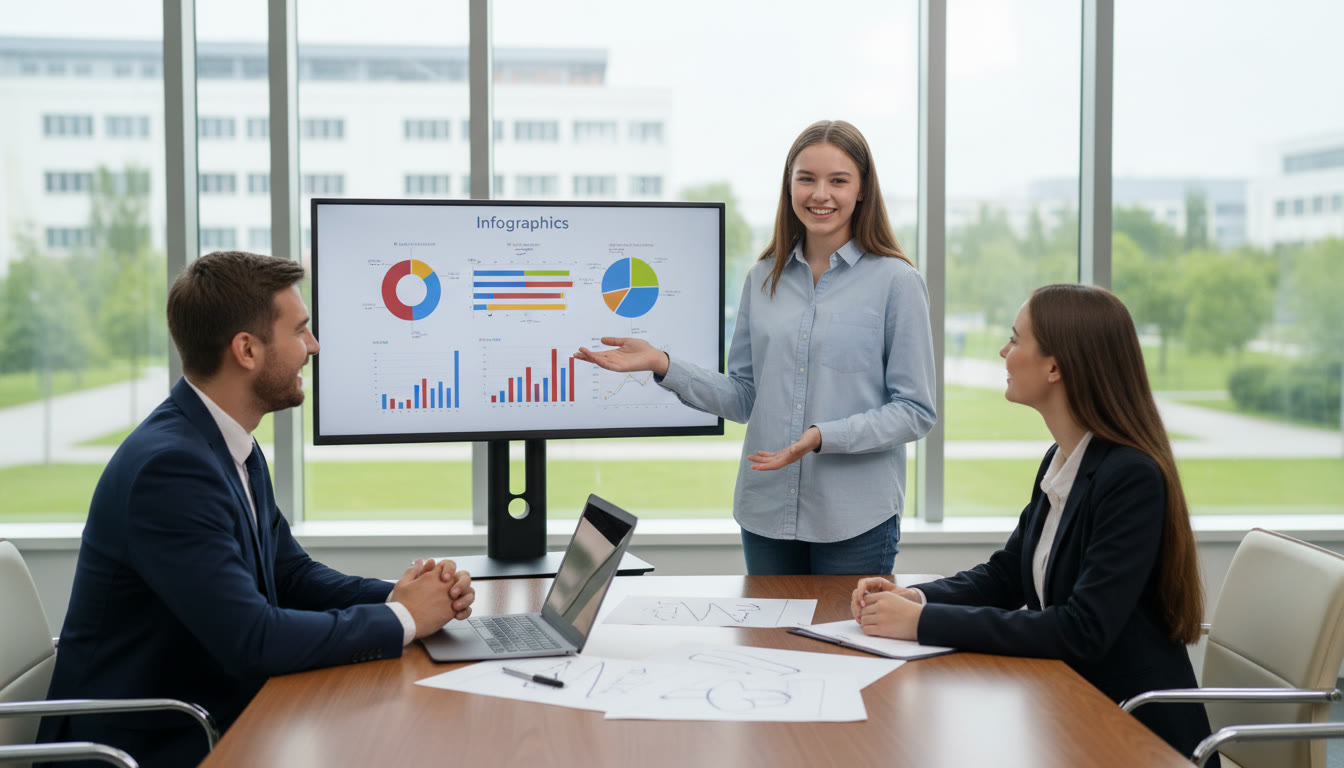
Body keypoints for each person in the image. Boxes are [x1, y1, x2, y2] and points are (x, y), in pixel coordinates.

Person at [38, 251, 475, 768]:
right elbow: (254, 639)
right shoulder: (171, 470)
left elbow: (289, 574)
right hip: (151, 744)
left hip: (213, 715)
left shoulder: (224, 442)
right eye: (301, 331)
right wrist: (403, 617)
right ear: (246, 349)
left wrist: (408, 596)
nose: (313, 346)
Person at [850, 284, 1215, 760]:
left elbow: (1081, 630)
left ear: (1055, 367)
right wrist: (915, 597)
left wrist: (923, 623)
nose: (1003, 352)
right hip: (1071, 709)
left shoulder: (1130, 477)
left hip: (1134, 733)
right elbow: (1007, 575)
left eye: (1015, 339)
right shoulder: (1064, 459)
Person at [577, 120, 936, 575]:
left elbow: (915, 410)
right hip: (766, 514)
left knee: (845, 646)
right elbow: (745, 397)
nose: (820, 194)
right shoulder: (762, 277)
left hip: (856, 520)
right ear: (789, 186)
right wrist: (661, 363)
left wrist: (824, 436)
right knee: (767, 644)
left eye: (838, 180)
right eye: (806, 179)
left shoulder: (897, 282)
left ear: (862, 189)